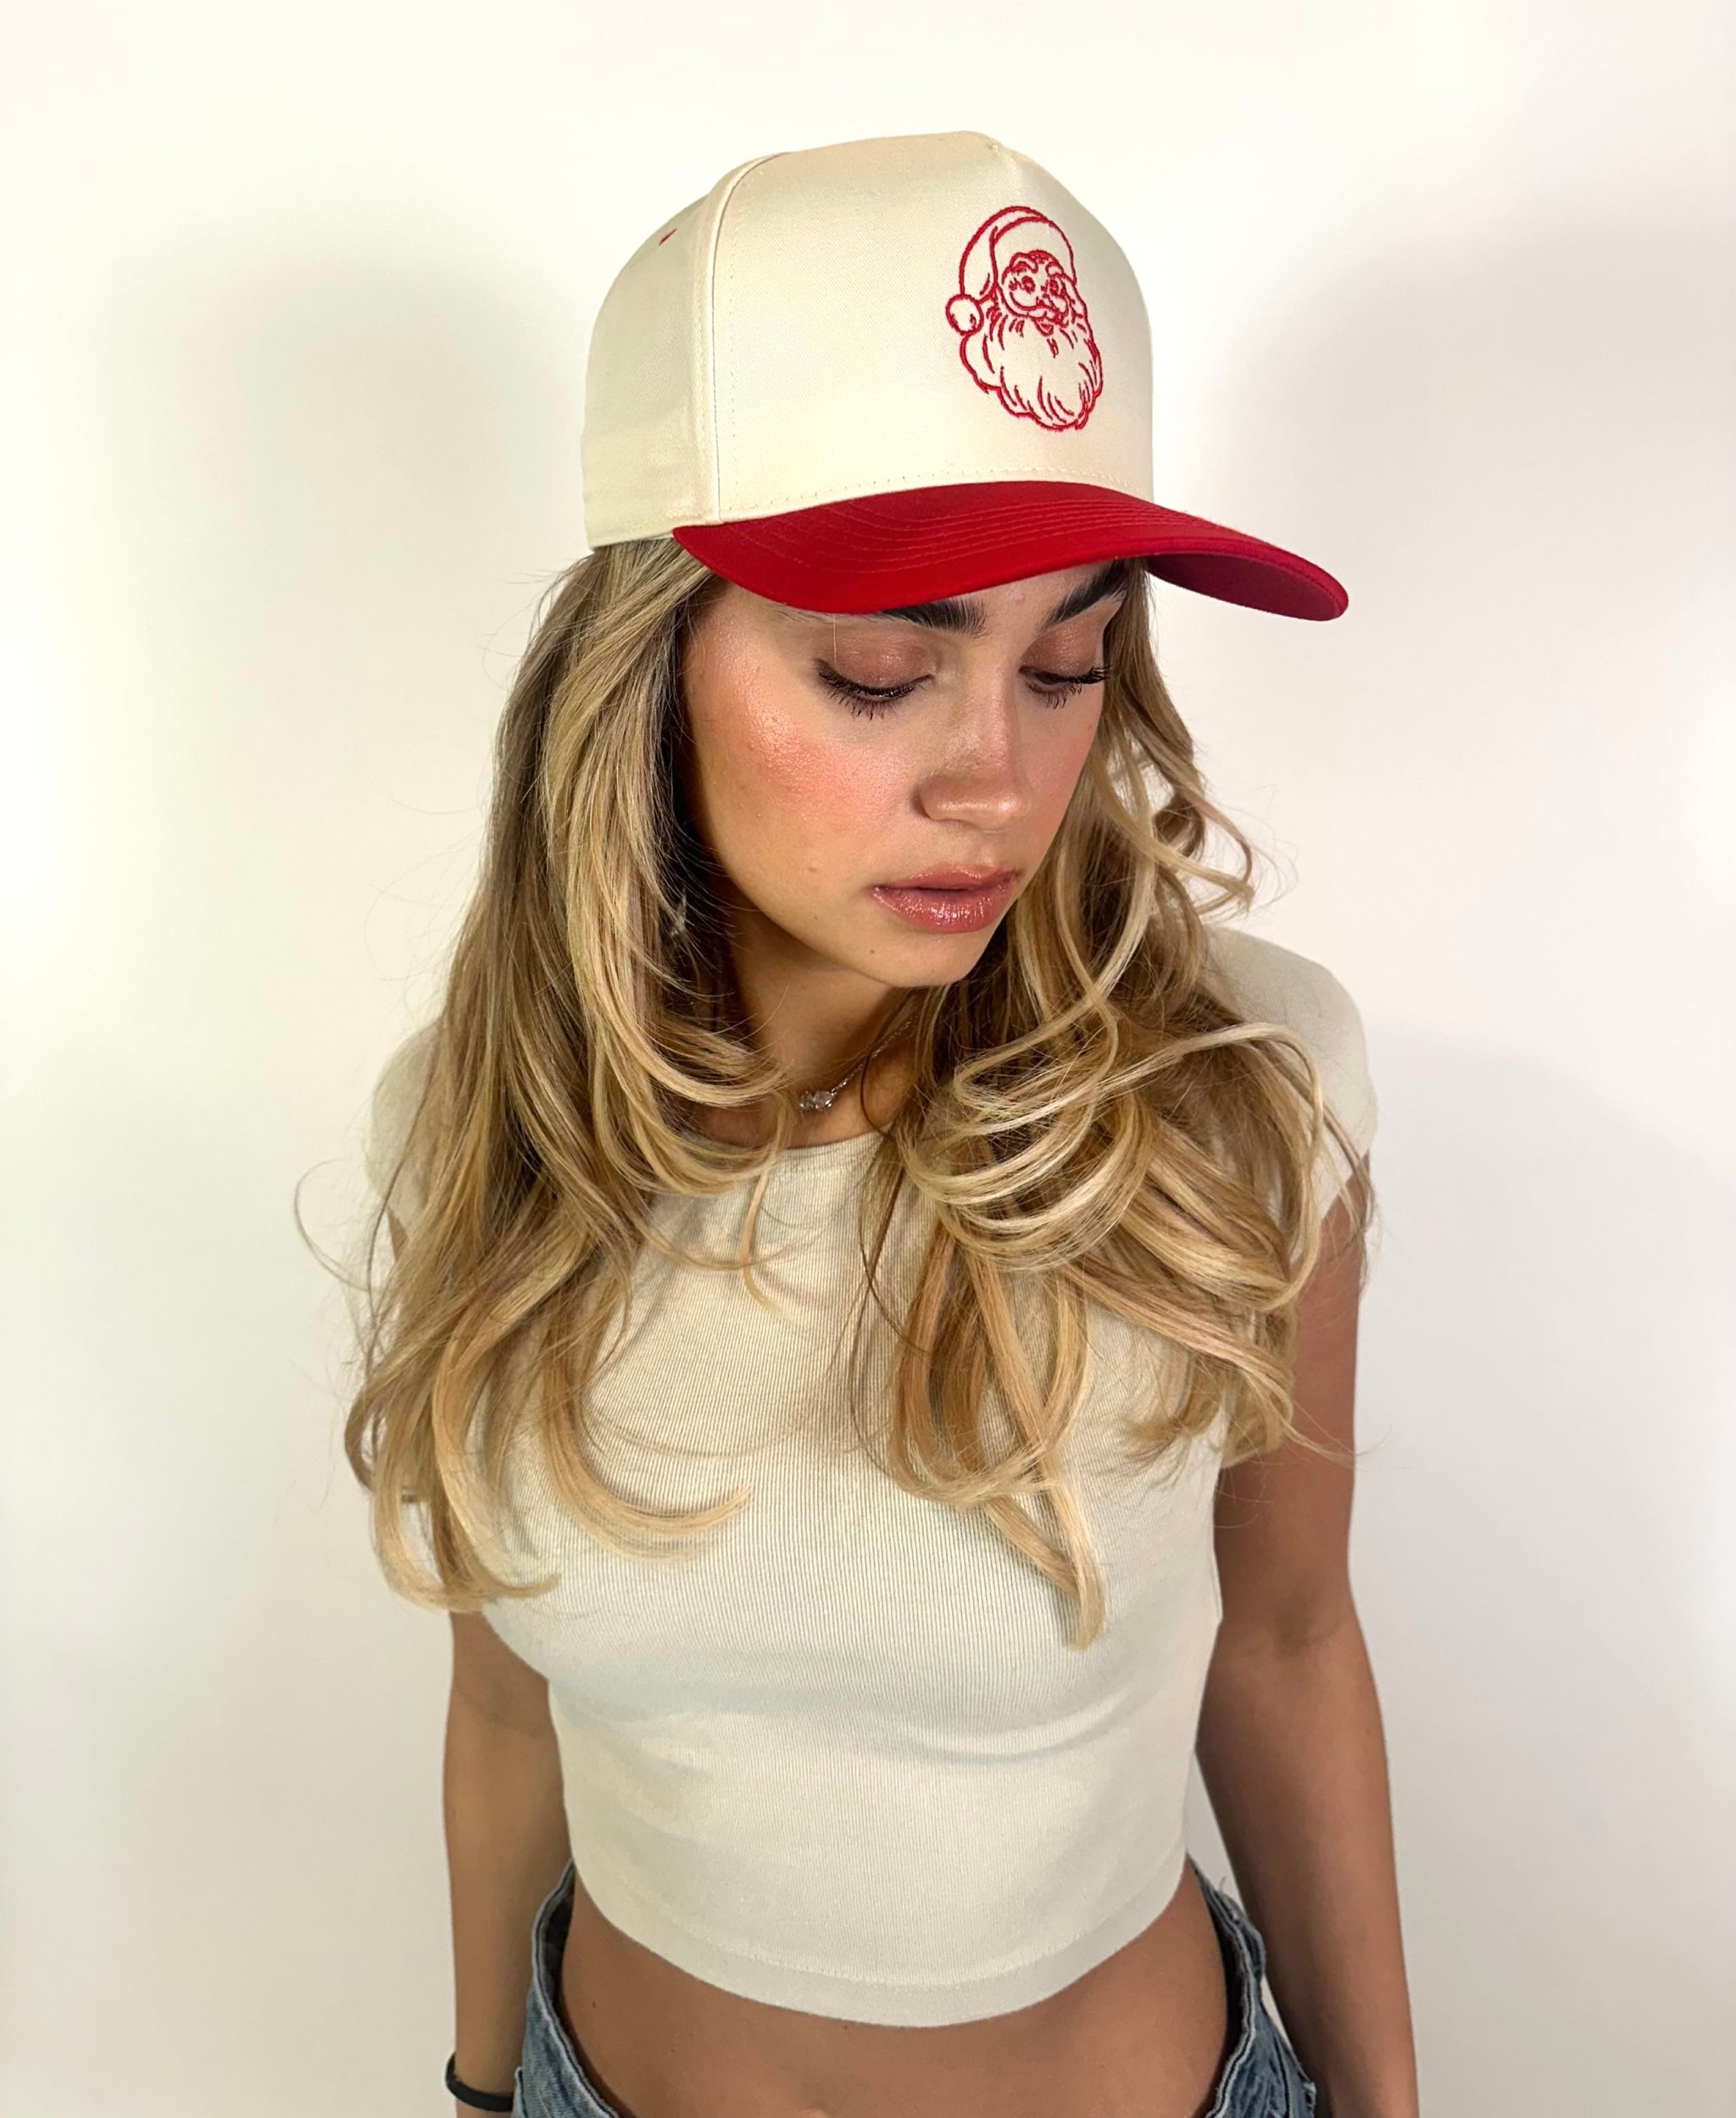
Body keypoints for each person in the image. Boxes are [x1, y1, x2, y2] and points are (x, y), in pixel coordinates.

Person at [346, 131, 1420, 2118]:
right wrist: (484, 2093)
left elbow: (1284, 1646)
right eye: (876, 670)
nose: (997, 779)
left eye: (1068, 661)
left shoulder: (1240, 1100)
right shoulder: (476, 1133)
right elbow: (504, 1705)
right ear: (643, 661)